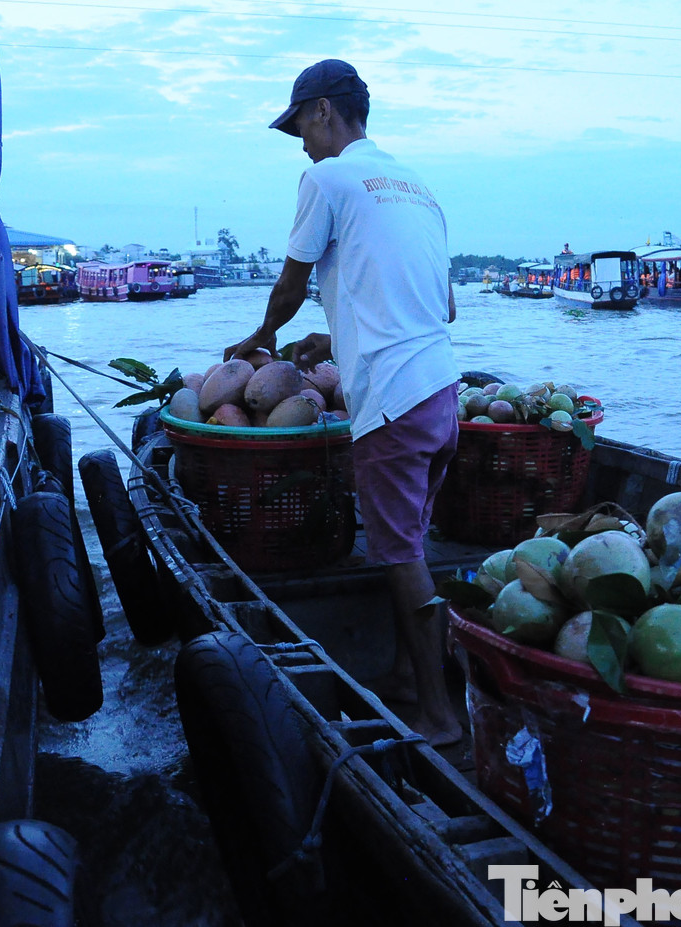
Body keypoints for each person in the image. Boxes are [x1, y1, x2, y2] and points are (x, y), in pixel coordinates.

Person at [224, 59, 463, 746]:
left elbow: (291, 283)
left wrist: (262, 336)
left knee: (399, 555)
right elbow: (439, 306)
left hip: (394, 402)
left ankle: (439, 716)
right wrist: (334, 339)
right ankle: (406, 676)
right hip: (441, 394)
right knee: (410, 545)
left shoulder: (326, 179)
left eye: (301, 125)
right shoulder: (415, 187)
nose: (301, 143)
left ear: (325, 110)